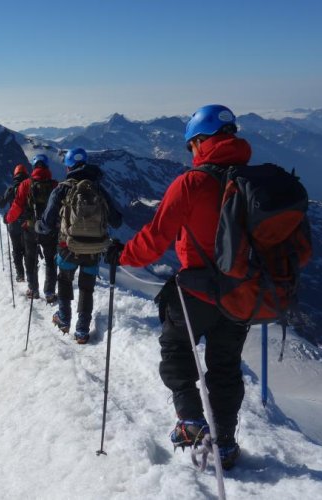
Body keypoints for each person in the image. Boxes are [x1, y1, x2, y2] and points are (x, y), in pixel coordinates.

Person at [104, 104, 250, 469]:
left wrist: (121, 256)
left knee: (175, 349)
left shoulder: (192, 183)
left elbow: (154, 240)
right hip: (243, 293)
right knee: (226, 367)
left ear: (201, 141)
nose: (191, 153)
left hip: (198, 290)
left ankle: (191, 421)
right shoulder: (255, 180)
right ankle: (226, 443)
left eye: (191, 146)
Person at [36, 147, 122, 344]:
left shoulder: (62, 188)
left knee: (64, 281)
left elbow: (48, 222)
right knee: (86, 288)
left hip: (67, 246)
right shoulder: (98, 189)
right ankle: (82, 331)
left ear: (68, 167)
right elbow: (117, 221)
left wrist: (39, 228)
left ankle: (64, 318)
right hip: (93, 248)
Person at [5, 154, 58, 301]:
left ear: (33, 167)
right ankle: (49, 292)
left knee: (30, 259)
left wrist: (8, 219)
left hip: (30, 228)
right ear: (47, 167)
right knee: (50, 261)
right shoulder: (55, 185)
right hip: (49, 230)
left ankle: (33, 289)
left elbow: (17, 206)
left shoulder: (25, 184)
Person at [0, 164, 29, 282]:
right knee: (27, 249)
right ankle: (30, 275)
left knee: (16, 249)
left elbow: (1, 204)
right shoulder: (30, 187)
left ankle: (20, 275)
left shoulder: (11, 189)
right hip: (27, 223)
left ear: (15, 175)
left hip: (14, 223)